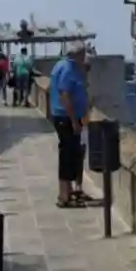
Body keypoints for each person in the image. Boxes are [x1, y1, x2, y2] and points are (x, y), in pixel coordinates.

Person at [48, 41, 92, 207]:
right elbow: (65, 95)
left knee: (69, 155)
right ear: (77, 55)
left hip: (62, 116)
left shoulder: (61, 65)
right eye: (83, 54)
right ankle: (64, 196)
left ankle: (68, 192)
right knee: (67, 156)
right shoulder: (68, 69)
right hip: (66, 118)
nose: (84, 57)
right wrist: (74, 121)